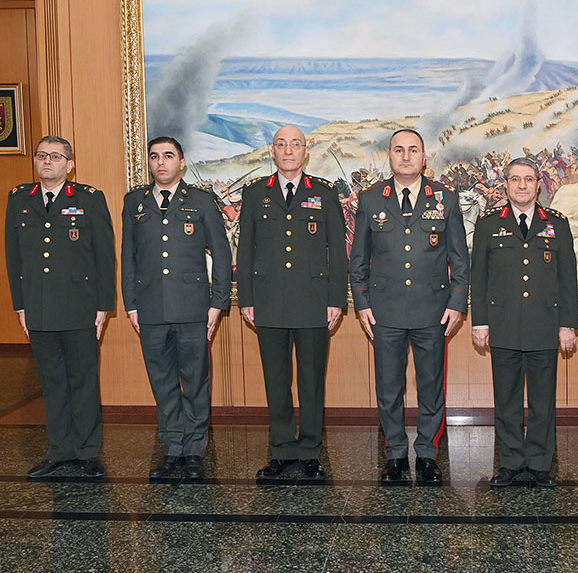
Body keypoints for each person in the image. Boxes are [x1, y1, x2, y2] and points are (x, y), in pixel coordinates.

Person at [349, 128, 469, 485]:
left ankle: (428, 455)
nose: (405, 156)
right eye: (399, 150)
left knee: (431, 385)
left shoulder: (445, 198)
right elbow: (358, 260)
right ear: (390, 155)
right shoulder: (371, 199)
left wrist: (457, 303)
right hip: (384, 311)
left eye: (412, 150)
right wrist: (362, 303)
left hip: (433, 310)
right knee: (388, 386)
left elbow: (460, 259)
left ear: (423, 157)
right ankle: (396, 455)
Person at [236, 125, 348, 480]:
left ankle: (311, 452)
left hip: (313, 301)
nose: (288, 151)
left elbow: (338, 252)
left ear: (306, 151)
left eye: (295, 144)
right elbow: (246, 248)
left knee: (312, 380)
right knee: (276, 379)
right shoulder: (256, 193)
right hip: (268, 302)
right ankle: (283, 451)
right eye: (281, 145)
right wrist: (246, 299)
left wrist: (336, 299)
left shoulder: (325, 193)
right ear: (273, 150)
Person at [121, 136, 232, 480]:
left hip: (193, 310)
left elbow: (222, 253)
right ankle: (172, 448)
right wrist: (131, 305)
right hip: (151, 308)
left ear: (181, 162)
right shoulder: (134, 202)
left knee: (195, 381)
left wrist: (217, 303)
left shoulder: (200, 201)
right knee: (163, 382)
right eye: (155, 157)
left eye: (168, 156)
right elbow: (129, 257)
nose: (161, 163)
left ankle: (194, 449)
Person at [5, 136, 115, 478]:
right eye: (41, 156)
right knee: (51, 383)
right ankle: (59, 450)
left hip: (81, 307)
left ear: (70, 164)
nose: (47, 162)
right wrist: (20, 306)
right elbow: (13, 257)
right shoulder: (20, 199)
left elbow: (104, 257)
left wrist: (103, 306)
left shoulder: (88, 199)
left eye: (55, 156)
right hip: (38, 308)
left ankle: (87, 452)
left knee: (83, 381)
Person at [470, 157, 578, 488]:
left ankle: (540, 464)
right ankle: (512, 463)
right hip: (503, 326)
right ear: (505, 184)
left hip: (545, 326)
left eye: (528, 179)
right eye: (515, 179)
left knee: (544, 401)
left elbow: (567, 279)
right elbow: (479, 277)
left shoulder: (556, 223)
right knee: (507, 402)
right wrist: (480, 323)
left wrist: (567, 324)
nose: (521, 185)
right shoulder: (489, 223)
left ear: (538, 185)